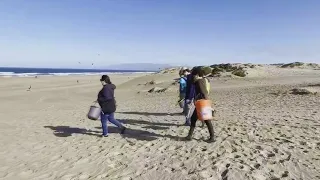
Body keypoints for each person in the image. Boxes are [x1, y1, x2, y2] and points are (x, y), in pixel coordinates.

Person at [184, 67, 214, 142]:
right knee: (193, 119)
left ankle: (212, 137)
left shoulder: (200, 81)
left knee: (207, 120)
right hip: (200, 103)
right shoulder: (200, 80)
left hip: (202, 103)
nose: (193, 76)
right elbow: (192, 82)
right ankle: (189, 136)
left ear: (197, 74)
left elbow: (204, 93)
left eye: (194, 75)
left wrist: (209, 105)